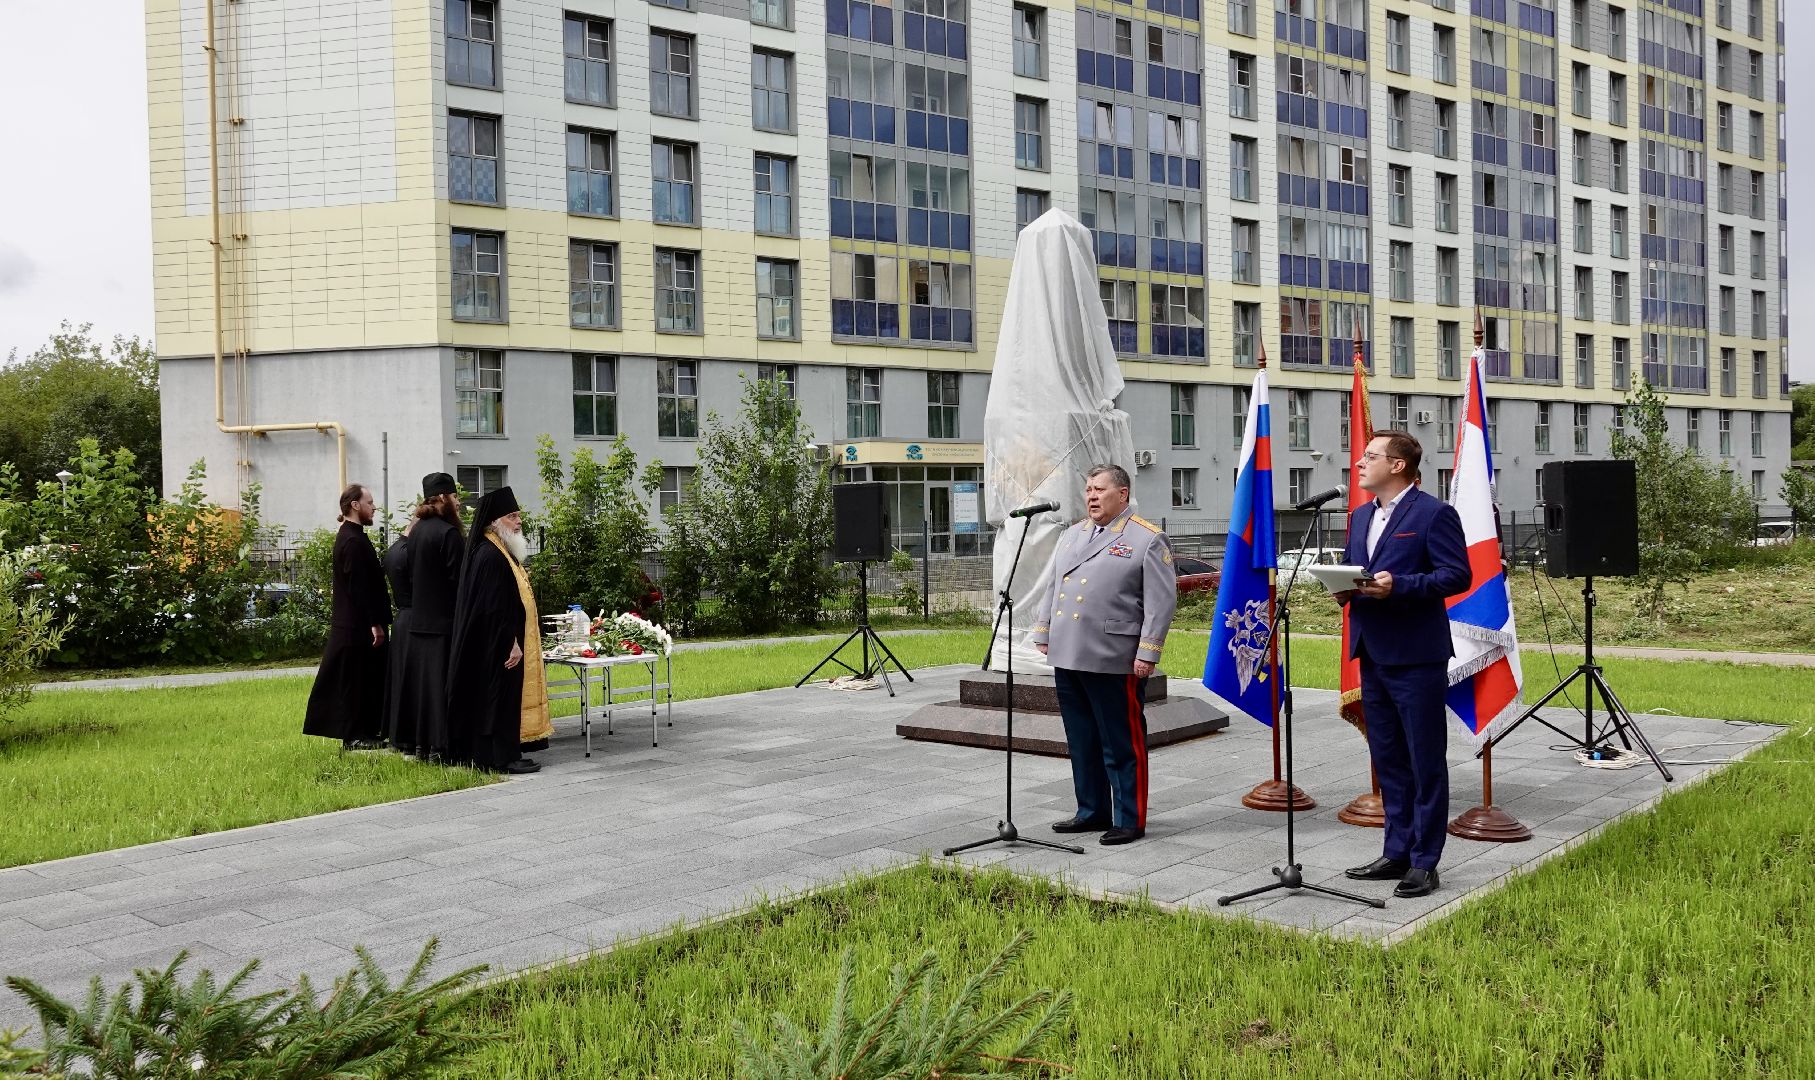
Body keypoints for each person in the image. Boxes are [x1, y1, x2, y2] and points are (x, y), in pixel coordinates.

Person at [1334, 431, 1471, 899]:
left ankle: (1425, 861)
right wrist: (1343, 588)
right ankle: (1396, 851)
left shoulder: (1434, 513)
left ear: (1397, 466)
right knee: (1388, 759)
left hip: (1417, 656)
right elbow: (1357, 570)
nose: (1359, 462)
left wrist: (1402, 585)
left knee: (1424, 760)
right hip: (1371, 650)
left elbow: (1457, 575)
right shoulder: (1359, 517)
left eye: (1369, 456)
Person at [1027, 464, 1177, 846]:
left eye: (1100, 490)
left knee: (1121, 741)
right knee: (1082, 738)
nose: (1091, 496)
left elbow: (1160, 604)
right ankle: (1092, 810)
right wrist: (1043, 631)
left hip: (1114, 655)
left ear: (1122, 494)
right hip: (1069, 651)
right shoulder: (1074, 534)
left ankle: (1129, 818)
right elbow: (1054, 585)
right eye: (1088, 489)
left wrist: (1148, 652)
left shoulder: (1147, 538)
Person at [444, 487, 551, 774]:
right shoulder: (490, 555)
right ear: (494, 522)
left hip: (499, 641)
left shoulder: (497, 550)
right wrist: (510, 643)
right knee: (499, 699)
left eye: (518, 516)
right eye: (511, 516)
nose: (519, 522)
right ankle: (503, 758)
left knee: (501, 699)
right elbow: (492, 607)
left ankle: (502, 753)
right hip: (499, 644)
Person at [302, 484, 390, 749]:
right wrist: (374, 623)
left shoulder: (353, 536)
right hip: (356, 626)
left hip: (356, 624)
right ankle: (355, 736)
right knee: (354, 681)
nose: (374, 507)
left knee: (364, 679)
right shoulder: (352, 540)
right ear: (355, 505)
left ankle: (366, 732)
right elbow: (359, 587)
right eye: (370, 502)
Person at [396, 474, 464, 760]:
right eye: (455, 497)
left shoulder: (418, 531)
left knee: (425, 690)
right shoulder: (448, 534)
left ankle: (423, 745)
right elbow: (459, 583)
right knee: (443, 690)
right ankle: (442, 747)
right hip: (444, 625)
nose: (458, 503)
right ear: (443, 498)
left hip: (420, 623)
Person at [380, 520, 414, 754]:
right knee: (410, 681)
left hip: (401, 619)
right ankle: (408, 735)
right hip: (415, 619)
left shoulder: (392, 551)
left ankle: (396, 732)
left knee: (400, 680)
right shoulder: (411, 552)